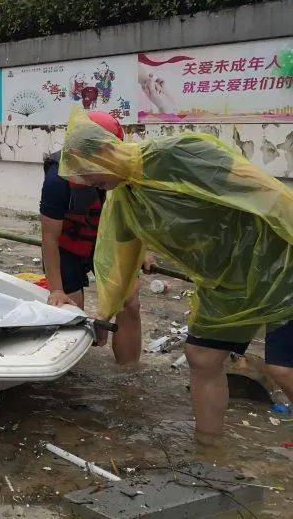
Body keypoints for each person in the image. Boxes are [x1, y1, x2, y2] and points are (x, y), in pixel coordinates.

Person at [59, 106, 293, 444]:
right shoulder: (125, 202)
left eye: (88, 172)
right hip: (224, 282)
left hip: (278, 262)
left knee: (283, 369)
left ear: (106, 151)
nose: (87, 183)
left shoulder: (180, 154)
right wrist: (103, 314)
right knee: (201, 357)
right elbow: (119, 265)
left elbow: (264, 191)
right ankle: (209, 449)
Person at [40, 110, 150, 364]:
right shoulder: (58, 180)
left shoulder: (128, 173)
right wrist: (55, 288)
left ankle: (128, 374)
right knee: (71, 310)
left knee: (130, 303)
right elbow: (49, 238)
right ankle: (71, 373)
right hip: (69, 246)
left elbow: (137, 222)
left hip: (110, 244)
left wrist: (145, 253)